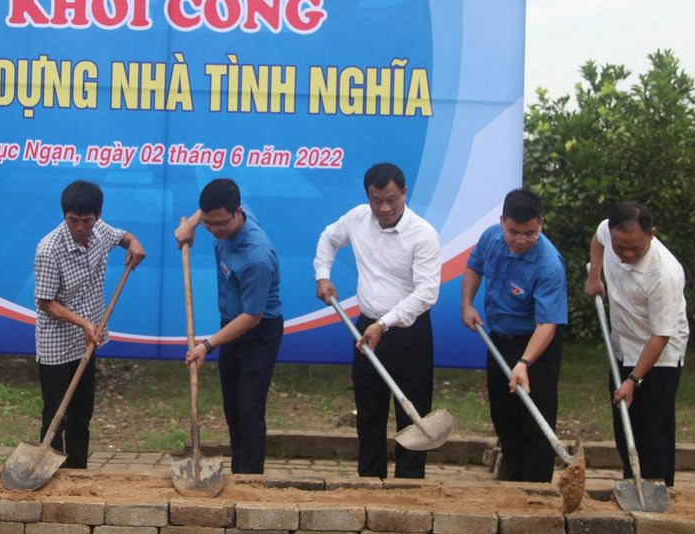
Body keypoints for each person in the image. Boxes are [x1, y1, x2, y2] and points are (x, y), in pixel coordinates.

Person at [314, 162, 441, 480]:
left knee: (412, 417)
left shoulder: (423, 235)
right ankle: (369, 484)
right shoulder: (358, 218)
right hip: (366, 329)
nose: (384, 208)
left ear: (405, 193)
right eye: (376, 200)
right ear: (368, 196)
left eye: (392, 199)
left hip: (409, 334)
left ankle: (409, 490)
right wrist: (322, 276)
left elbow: (426, 293)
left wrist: (384, 324)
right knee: (368, 412)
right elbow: (328, 239)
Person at [33, 180, 146, 469]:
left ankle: (78, 471)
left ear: (96, 216)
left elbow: (123, 236)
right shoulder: (49, 249)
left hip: (87, 339)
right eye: (73, 220)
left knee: (82, 413)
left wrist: (134, 243)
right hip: (56, 342)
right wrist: (82, 322)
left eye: (86, 220)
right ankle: (47, 469)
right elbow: (46, 302)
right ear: (65, 216)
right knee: (56, 413)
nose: (80, 228)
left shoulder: (100, 232)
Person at [175, 178, 283, 475]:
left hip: (258, 332)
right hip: (231, 323)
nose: (215, 230)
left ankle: (250, 483)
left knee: (249, 410)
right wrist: (192, 226)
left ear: (237, 213)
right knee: (233, 410)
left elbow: (252, 317)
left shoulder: (256, 256)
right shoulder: (223, 213)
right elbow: (204, 213)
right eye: (209, 224)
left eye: (220, 224)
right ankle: (239, 473)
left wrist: (207, 345)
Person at [460, 188, 568, 483]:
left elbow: (548, 324)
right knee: (504, 417)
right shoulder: (490, 238)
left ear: (541, 223)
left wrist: (524, 363)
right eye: (514, 232)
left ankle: (535, 491)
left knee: (536, 420)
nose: (521, 240)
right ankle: (513, 483)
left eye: (530, 233)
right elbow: (474, 268)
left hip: (537, 345)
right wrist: (467, 304)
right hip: (500, 339)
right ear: (502, 222)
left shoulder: (549, 265)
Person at [584, 201, 689, 487]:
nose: (627, 254)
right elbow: (598, 238)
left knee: (654, 433)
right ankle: (632, 483)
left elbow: (661, 335)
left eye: (636, 248)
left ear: (651, 235)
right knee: (625, 427)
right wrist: (595, 276)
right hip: (622, 347)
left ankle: (658, 489)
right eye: (621, 248)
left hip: (659, 358)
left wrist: (633, 379)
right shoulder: (610, 231)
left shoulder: (665, 274)